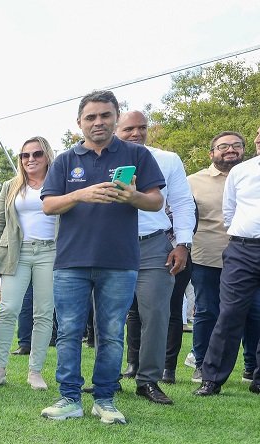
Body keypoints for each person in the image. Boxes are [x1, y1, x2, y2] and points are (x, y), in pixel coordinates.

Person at [39, 90, 165, 424]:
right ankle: (69, 398)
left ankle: (105, 399)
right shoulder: (66, 160)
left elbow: (156, 202)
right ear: (79, 122)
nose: (98, 122)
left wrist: (132, 195)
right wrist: (81, 193)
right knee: (68, 331)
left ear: (116, 117)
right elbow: (48, 205)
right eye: (91, 117)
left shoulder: (136, 155)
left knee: (111, 333)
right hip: (71, 262)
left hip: (120, 260)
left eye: (105, 116)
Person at [115, 111, 194, 403]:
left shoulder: (168, 159)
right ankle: (108, 378)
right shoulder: (102, 158)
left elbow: (183, 202)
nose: (136, 133)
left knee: (157, 314)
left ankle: (148, 381)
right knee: (108, 315)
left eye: (142, 127)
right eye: (128, 129)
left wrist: (183, 243)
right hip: (112, 244)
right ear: (115, 129)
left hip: (154, 245)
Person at [0, 136, 58, 390]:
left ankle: (35, 372)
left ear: (47, 155)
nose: (30, 159)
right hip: (17, 253)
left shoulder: (60, 183)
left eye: (37, 154)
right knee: (8, 309)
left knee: (43, 313)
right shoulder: (11, 186)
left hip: (51, 252)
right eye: (25, 155)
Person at [187, 131, 259, 384]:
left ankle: (252, 369)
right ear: (212, 152)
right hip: (216, 253)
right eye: (223, 146)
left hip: (243, 252)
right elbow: (227, 214)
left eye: (236, 145)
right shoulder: (196, 180)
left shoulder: (245, 172)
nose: (231, 150)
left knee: (255, 313)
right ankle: (206, 369)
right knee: (214, 312)